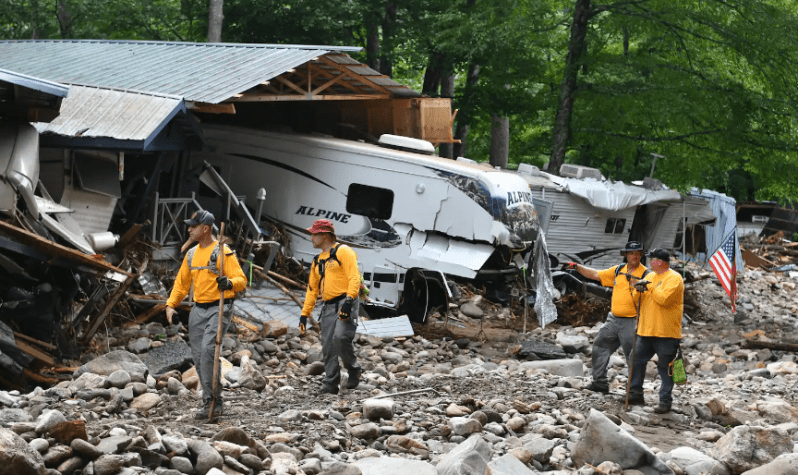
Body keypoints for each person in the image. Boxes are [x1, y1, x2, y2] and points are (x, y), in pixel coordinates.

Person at [165, 210, 247, 419]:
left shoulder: (222, 251)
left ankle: (216, 402)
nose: (189, 229)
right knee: (200, 357)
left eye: (193, 226)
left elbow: (241, 279)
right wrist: (171, 305)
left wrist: (229, 283)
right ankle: (207, 401)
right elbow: (182, 283)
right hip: (198, 310)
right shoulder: (191, 254)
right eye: (189, 226)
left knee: (209, 351)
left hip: (219, 308)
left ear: (205, 229)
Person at [568, 241, 650, 394]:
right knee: (600, 346)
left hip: (632, 321)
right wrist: (576, 267)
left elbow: (653, 294)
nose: (635, 256)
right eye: (632, 253)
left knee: (633, 356)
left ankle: (634, 391)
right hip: (613, 319)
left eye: (638, 253)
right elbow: (595, 275)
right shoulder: (619, 270)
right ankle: (599, 383)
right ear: (626, 255)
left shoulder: (646, 274)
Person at [299, 219, 362, 395]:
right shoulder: (317, 260)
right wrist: (305, 314)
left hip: (345, 301)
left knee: (341, 338)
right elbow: (312, 290)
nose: (311, 237)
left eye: (314, 234)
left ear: (325, 235)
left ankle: (353, 369)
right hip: (328, 306)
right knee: (327, 346)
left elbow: (354, 278)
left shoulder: (344, 252)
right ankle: (330, 384)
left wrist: (349, 302)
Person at [628, 248, 685, 414]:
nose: (649, 262)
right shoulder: (650, 276)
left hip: (666, 333)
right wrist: (637, 290)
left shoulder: (674, 278)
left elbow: (663, 299)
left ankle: (665, 401)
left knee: (665, 368)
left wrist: (649, 287)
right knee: (635, 360)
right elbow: (637, 300)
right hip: (645, 330)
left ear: (659, 261)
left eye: (651, 259)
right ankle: (635, 393)